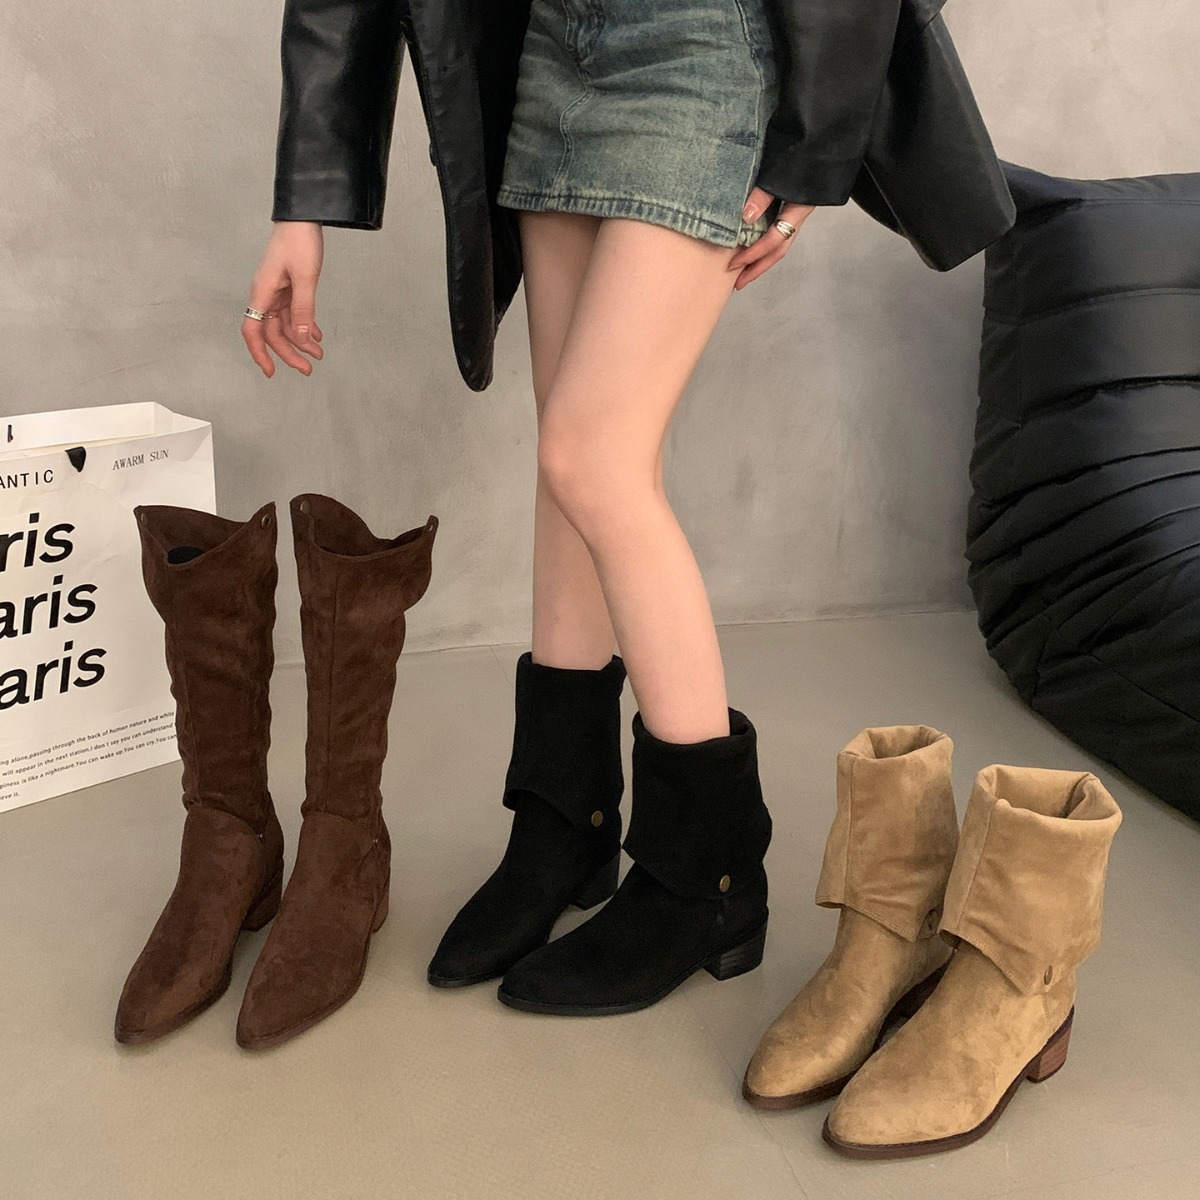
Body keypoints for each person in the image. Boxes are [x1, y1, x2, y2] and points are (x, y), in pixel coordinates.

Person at [239, 0, 886, 1016]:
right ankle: (562, 823)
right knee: (567, 469)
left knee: (594, 460)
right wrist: (301, 206)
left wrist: (818, 139)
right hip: (553, 49)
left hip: (703, 50)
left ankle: (710, 874)